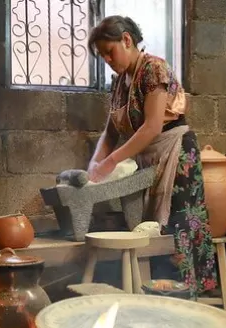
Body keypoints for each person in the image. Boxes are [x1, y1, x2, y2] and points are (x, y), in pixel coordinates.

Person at [86, 15, 217, 297]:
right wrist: (93, 167)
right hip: (149, 158)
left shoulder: (153, 69)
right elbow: (110, 134)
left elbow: (153, 126)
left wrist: (110, 163)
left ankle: (186, 300)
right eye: (103, 56)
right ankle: (157, 300)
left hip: (176, 155)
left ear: (127, 40)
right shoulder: (120, 82)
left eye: (110, 52)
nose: (108, 59)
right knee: (151, 227)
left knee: (175, 228)